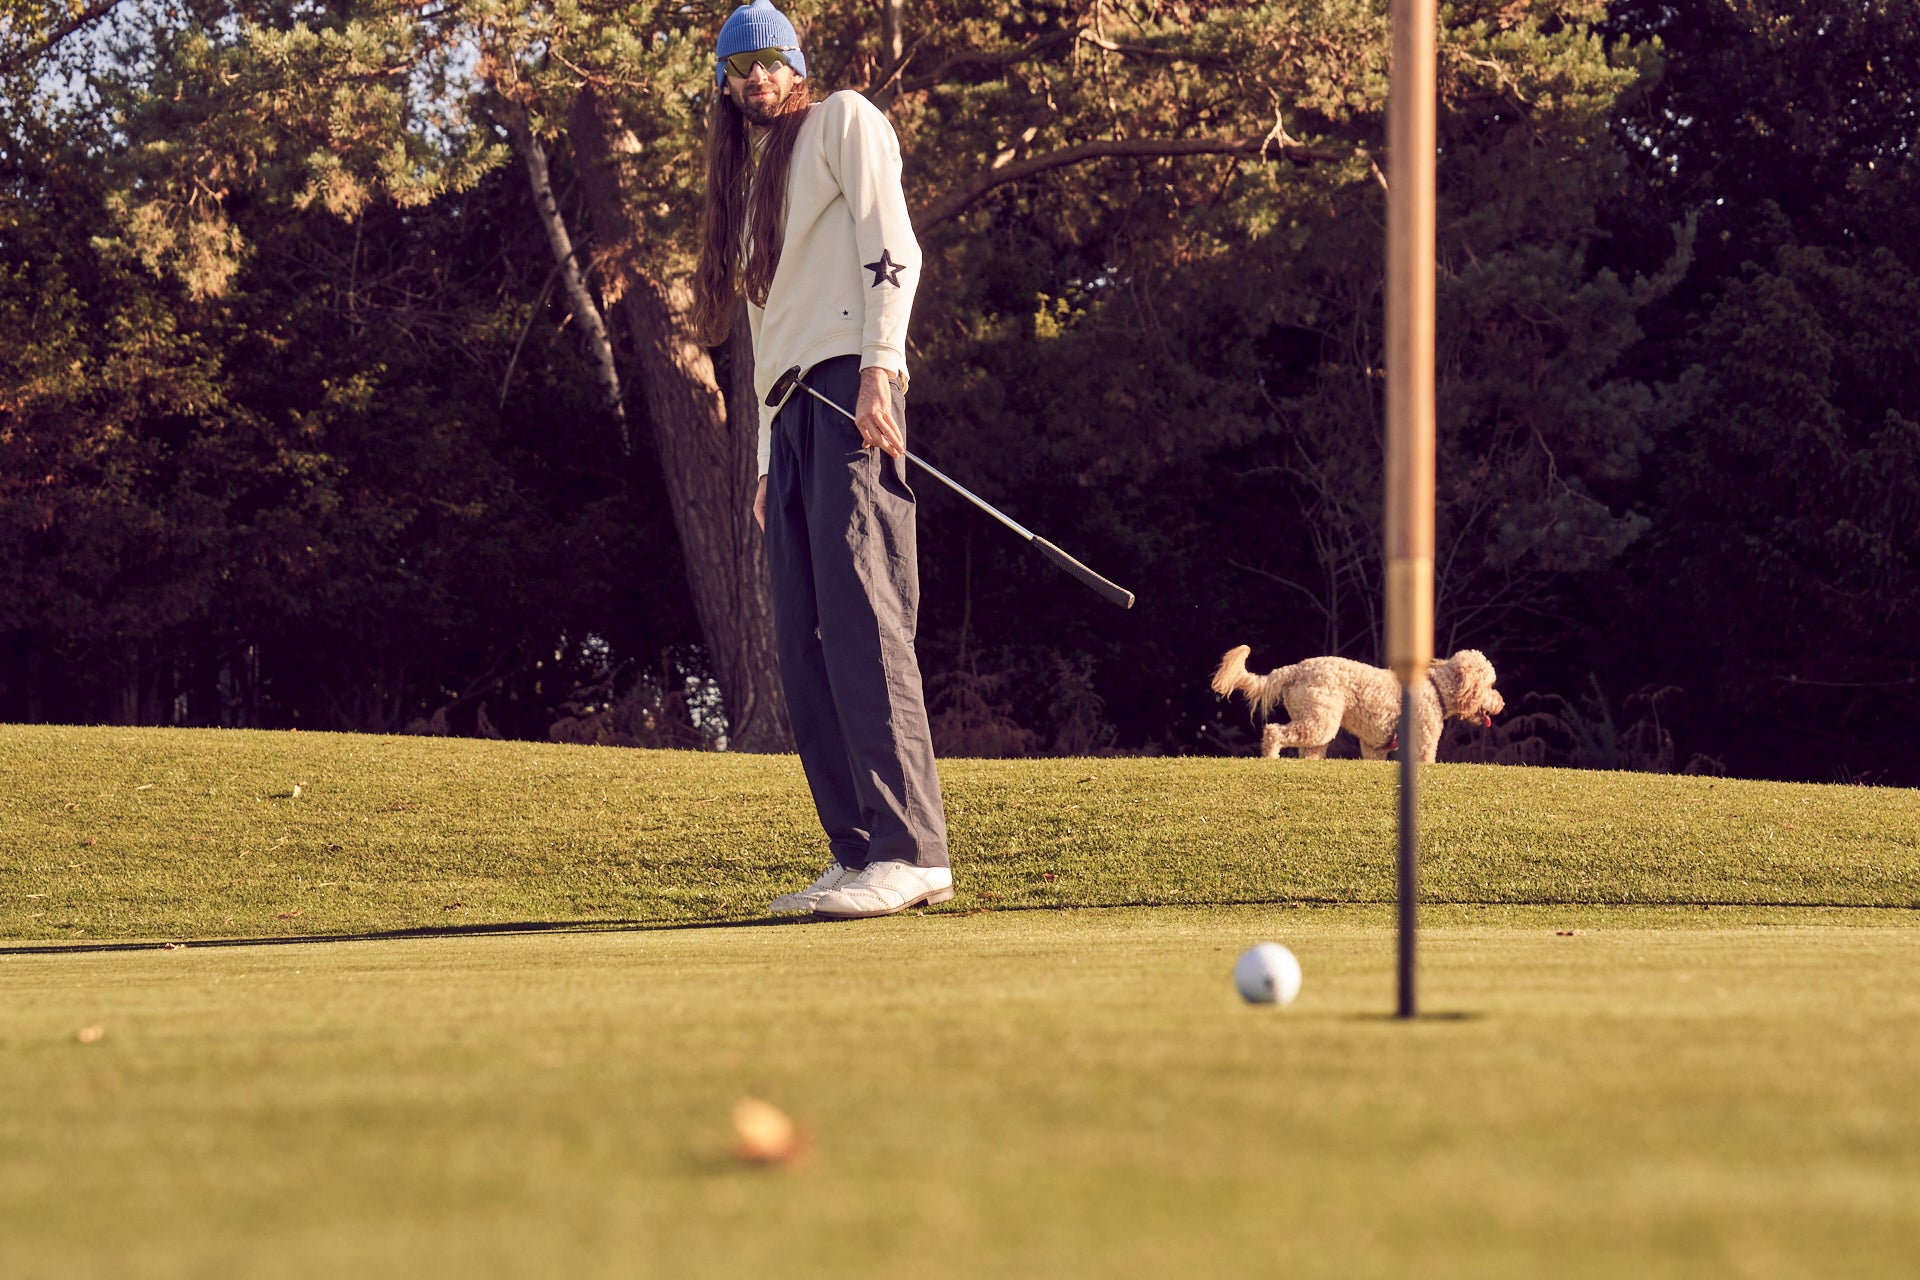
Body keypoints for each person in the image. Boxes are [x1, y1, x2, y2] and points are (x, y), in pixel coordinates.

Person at [691, 0, 952, 919]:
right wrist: (766, 460)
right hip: (791, 414)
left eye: (770, 61)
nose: (756, 76)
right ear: (723, 83)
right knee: (801, 641)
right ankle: (855, 851)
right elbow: (767, 330)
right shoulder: (754, 179)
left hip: (851, 388)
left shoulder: (845, 118)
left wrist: (883, 371)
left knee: (862, 620)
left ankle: (912, 849)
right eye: (739, 66)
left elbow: (894, 251)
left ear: (795, 65)